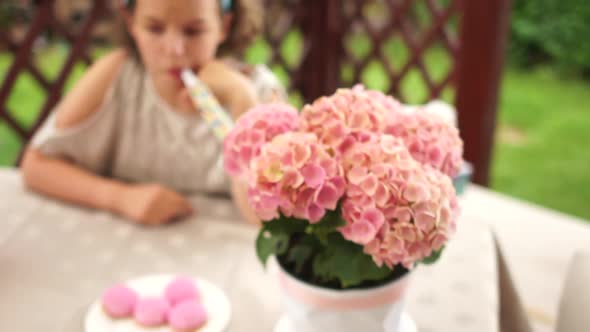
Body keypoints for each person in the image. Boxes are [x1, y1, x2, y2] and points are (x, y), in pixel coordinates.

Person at [21, 0, 279, 226]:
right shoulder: (116, 77)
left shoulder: (259, 94)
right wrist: (120, 197)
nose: (174, 49)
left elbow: (266, 217)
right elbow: (36, 165)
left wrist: (243, 103)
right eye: (155, 28)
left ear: (224, 25)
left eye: (193, 31)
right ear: (130, 20)